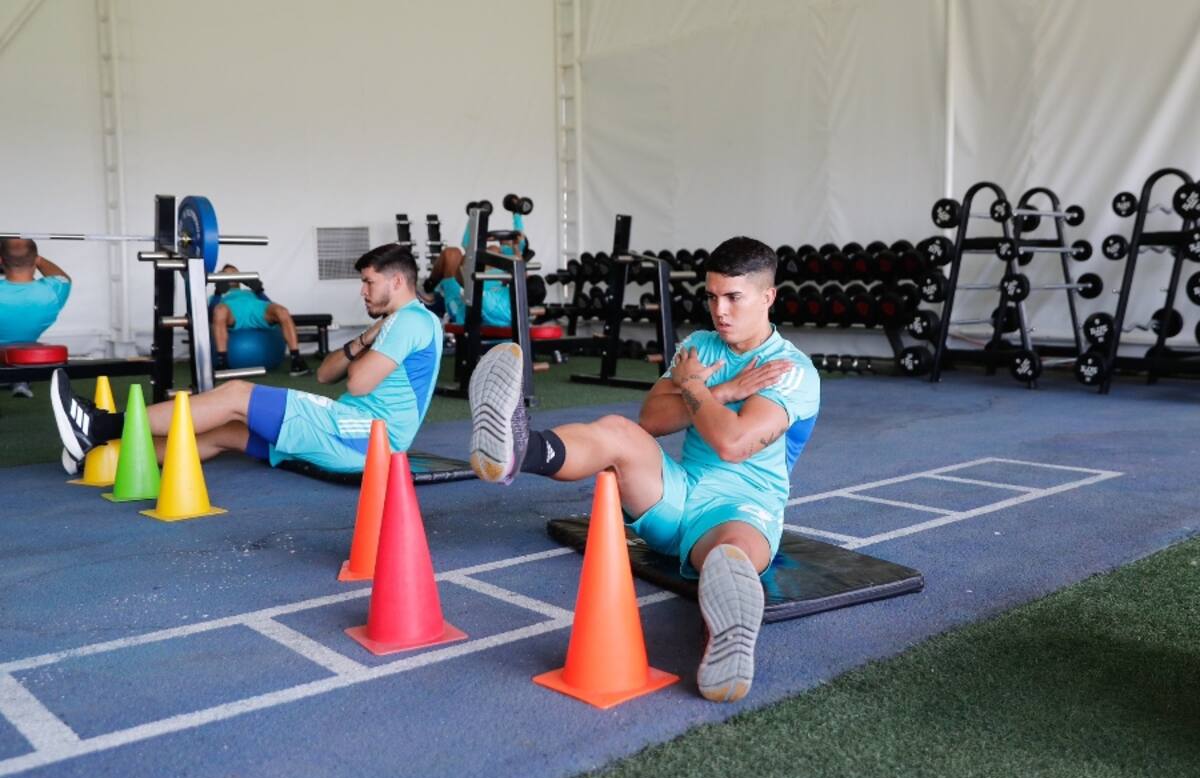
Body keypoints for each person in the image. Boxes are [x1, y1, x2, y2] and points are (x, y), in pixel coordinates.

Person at [467, 236, 820, 703]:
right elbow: (651, 420)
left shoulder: (789, 369)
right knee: (616, 431)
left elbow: (733, 443)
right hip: (675, 494)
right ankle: (516, 450)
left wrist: (693, 386)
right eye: (712, 297)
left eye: (734, 297)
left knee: (728, 559)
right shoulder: (699, 346)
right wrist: (725, 391)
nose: (721, 311)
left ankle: (724, 642)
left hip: (742, 511)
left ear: (768, 297)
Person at [50, 244, 441, 474]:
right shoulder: (395, 323)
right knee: (225, 433)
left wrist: (378, 339)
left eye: (368, 282)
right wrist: (366, 338)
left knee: (237, 394)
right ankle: (101, 455)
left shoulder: (409, 322)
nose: (363, 291)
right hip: (355, 434)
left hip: (367, 438)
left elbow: (357, 383)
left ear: (397, 282)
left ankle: (99, 428)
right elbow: (325, 375)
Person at [423, 211, 529, 327]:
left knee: (451, 254)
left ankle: (431, 288)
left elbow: (472, 292)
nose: (507, 242)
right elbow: (519, 256)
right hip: (479, 283)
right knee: (490, 250)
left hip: (463, 305)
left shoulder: (495, 302)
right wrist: (517, 214)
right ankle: (433, 285)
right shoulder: (515, 278)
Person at [209, 264, 310, 377]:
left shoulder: (251, 293)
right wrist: (218, 292)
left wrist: (259, 291)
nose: (232, 276)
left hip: (257, 310)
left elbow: (269, 304)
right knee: (220, 310)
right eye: (227, 274)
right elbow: (210, 315)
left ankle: (296, 360)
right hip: (232, 313)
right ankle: (223, 363)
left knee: (282, 311)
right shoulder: (218, 298)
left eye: (235, 273)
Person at [0, 239, 71, 398]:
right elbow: (63, 277)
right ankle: (19, 377)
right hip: (24, 349)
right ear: (35, 261)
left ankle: (16, 377)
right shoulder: (54, 290)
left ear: (1, 261)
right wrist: (38, 259)